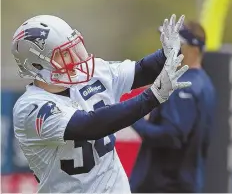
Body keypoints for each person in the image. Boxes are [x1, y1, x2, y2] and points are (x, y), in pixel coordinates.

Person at [12, 14, 191, 193]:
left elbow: (141, 70)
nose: (74, 58)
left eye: (73, 48)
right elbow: (89, 125)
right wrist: (151, 97)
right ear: (36, 65)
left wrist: (168, 53)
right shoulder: (30, 107)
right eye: (63, 54)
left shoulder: (90, 74)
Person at [130, 21, 216, 193]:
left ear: (193, 49)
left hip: (166, 185)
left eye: (177, 43)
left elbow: (171, 135)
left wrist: (133, 117)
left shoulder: (183, 85)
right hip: (181, 183)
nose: (168, 48)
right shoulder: (204, 83)